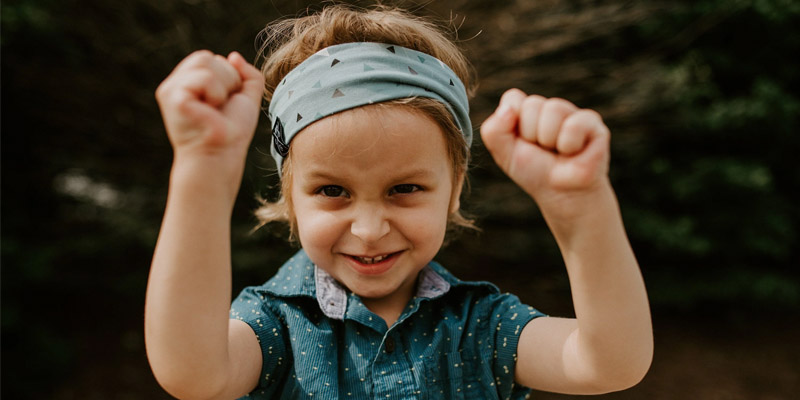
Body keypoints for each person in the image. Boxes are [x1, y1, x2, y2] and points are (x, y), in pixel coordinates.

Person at [144, 4, 653, 400]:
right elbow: (195, 375)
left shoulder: (481, 325)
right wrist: (202, 169)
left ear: (454, 189)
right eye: (332, 191)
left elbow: (609, 363)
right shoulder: (274, 325)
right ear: (291, 198)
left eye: (404, 189)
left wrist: (581, 209)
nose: (368, 229)